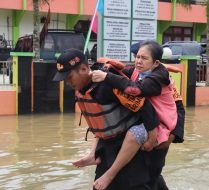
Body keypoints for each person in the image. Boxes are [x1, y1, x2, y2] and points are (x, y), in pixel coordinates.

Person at [53, 48, 161, 190]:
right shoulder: (81, 90)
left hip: (130, 144)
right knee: (99, 186)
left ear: (84, 69)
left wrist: (152, 136)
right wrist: (93, 152)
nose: (67, 82)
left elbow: (143, 105)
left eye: (69, 77)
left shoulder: (108, 85)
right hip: (107, 145)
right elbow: (98, 123)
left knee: (138, 185)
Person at [92, 40, 185, 190]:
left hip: (158, 131)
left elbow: (178, 107)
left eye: (143, 58)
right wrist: (109, 69)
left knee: (152, 176)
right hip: (138, 128)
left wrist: (173, 135)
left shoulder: (162, 78)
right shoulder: (137, 72)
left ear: (155, 63)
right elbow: (124, 75)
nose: (138, 61)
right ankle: (93, 155)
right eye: (136, 56)